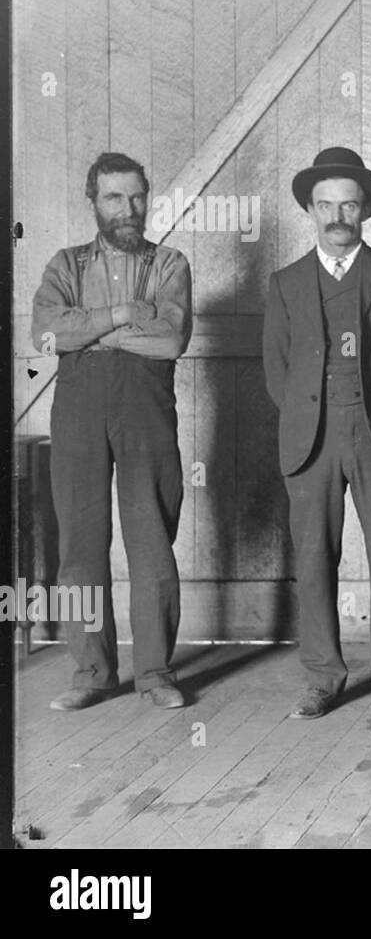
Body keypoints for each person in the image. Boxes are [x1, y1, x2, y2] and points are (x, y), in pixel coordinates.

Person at [263, 147, 371, 720]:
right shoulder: (286, 283)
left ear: (364, 211)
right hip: (310, 438)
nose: (338, 216)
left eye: (349, 205)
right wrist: (310, 414)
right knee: (313, 558)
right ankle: (322, 676)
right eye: (326, 205)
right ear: (310, 211)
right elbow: (277, 371)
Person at [33, 152, 193, 711]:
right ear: (93, 201)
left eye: (136, 196)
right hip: (78, 409)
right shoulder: (65, 264)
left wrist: (93, 331)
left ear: (147, 197)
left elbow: (170, 341)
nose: (128, 209)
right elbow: (48, 333)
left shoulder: (171, 263)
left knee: (150, 539)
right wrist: (126, 313)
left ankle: (155, 673)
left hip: (145, 408)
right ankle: (93, 672)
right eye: (114, 198)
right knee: (80, 540)